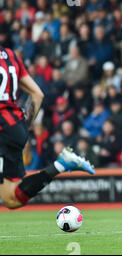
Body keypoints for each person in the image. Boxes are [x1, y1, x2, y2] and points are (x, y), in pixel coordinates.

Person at [0, 46, 94, 210]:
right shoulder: (9, 55)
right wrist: (22, 128)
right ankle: (61, 165)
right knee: (11, 199)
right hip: (15, 130)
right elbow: (38, 94)